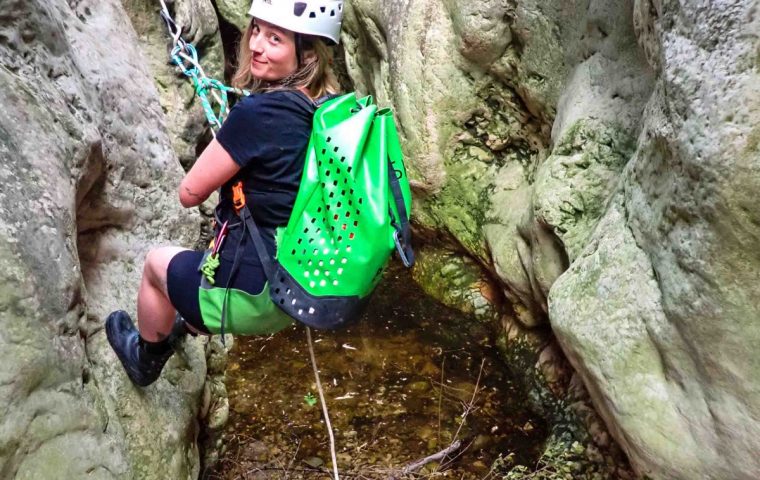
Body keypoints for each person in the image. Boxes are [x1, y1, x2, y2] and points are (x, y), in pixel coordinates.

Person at [106, 0, 344, 386]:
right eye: (256, 30)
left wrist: (232, 144)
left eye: (276, 38)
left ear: (307, 54)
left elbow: (189, 193)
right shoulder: (329, 110)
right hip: (303, 287)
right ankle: (193, 319)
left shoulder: (255, 114)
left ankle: (144, 360)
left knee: (155, 265)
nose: (256, 45)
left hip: (257, 294)